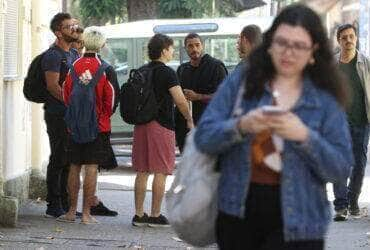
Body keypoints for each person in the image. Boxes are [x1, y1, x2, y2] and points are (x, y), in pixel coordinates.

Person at [194, 4, 353, 250]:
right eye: (282, 43)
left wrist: (304, 136)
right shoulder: (243, 80)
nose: (288, 53)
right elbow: (203, 137)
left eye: (299, 45)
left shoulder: (324, 96)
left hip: (302, 220)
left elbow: (341, 168)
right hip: (238, 212)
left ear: (314, 51)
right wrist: (241, 125)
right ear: (269, 44)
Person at [132, 34, 194, 227]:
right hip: (161, 125)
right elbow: (180, 100)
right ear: (164, 50)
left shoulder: (142, 70)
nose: (173, 51)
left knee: (142, 170)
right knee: (160, 170)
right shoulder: (167, 73)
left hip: (141, 124)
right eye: (172, 48)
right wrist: (189, 119)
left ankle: (139, 215)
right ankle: (155, 215)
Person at [59, 27, 118, 224]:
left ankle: (70, 211)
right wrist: (102, 117)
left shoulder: (73, 66)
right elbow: (111, 100)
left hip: (73, 126)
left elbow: (66, 95)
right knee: (91, 167)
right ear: (102, 44)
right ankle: (86, 214)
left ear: (83, 42)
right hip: (97, 127)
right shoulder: (106, 68)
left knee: (74, 166)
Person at [42, 12, 80, 218]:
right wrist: (71, 103)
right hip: (58, 114)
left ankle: (66, 203)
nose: (74, 29)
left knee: (69, 158)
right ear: (58, 33)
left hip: (71, 114)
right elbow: (52, 86)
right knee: (58, 157)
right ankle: (53, 203)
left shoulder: (73, 55)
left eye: (74, 26)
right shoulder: (53, 56)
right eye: (69, 27)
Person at [332, 24, 370, 221]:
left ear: (356, 38)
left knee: (359, 164)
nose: (348, 40)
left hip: (362, 121)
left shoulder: (366, 63)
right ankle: (341, 206)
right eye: (344, 37)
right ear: (339, 41)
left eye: (351, 36)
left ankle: (352, 200)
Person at [175, 33, 227, 152]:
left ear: (202, 46)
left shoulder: (216, 66)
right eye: (190, 46)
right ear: (185, 49)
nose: (194, 49)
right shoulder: (182, 70)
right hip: (185, 128)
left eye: (197, 45)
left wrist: (198, 96)